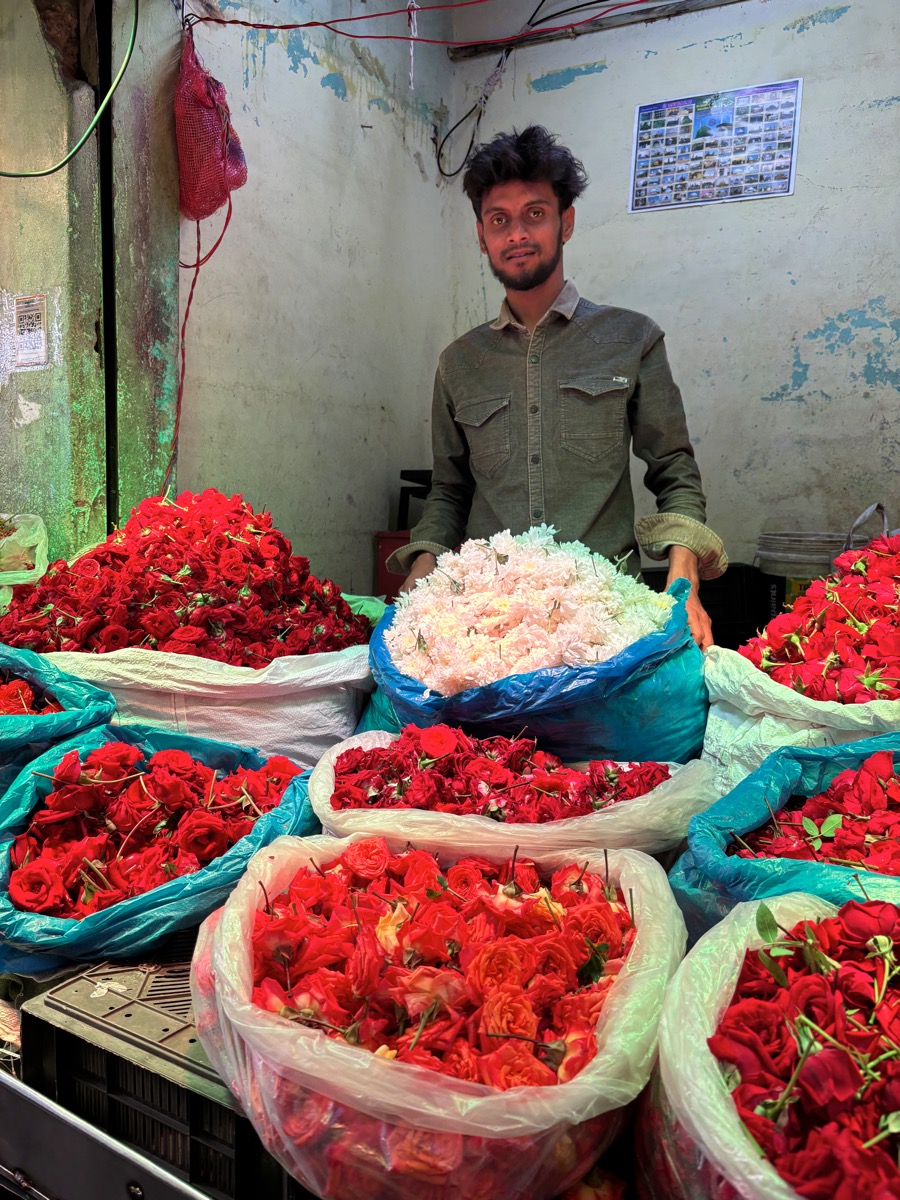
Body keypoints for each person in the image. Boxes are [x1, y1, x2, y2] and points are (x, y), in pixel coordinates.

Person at [386, 125, 726, 648]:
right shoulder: (459, 363)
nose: (516, 233)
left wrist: (684, 583)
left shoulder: (631, 339)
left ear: (565, 222)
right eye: (499, 220)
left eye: (535, 214)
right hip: (486, 626)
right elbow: (449, 492)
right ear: (481, 236)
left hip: (607, 619)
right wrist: (420, 573)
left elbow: (674, 471)